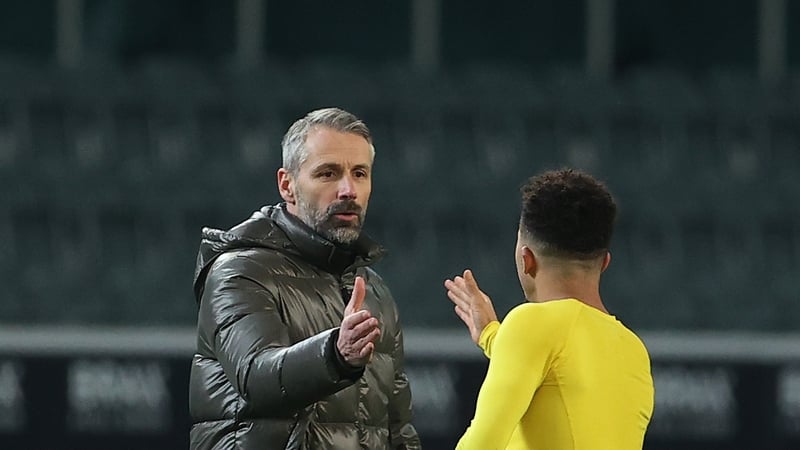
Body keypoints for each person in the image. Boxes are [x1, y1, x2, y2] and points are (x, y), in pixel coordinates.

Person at [189, 107, 421, 450]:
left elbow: (398, 430)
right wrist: (336, 355)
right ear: (287, 185)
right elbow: (257, 377)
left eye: (360, 174)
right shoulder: (239, 271)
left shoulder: (374, 290)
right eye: (328, 174)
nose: (348, 190)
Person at [445, 169, 654, 449]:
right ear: (604, 263)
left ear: (526, 260)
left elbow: (481, 445)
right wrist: (493, 336)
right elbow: (566, 376)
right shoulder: (634, 351)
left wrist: (506, 336)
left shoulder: (531, 323)